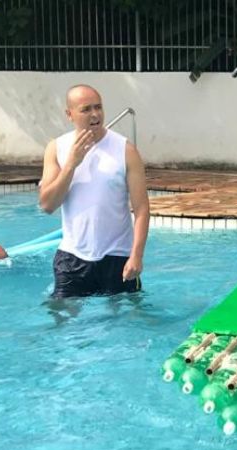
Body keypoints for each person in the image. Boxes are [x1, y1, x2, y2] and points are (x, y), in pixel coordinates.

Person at [38, 84, 150, 298]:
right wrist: (71, 164)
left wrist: (136, 255)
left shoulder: (125, 150)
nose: (95, 114)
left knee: (124, 322)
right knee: (61, 321)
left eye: (98, 107)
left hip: (118, 256)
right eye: (86, 109)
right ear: (69, 114)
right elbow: (47, 205)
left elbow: (142, 208)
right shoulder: (57, 148)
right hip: (72, 257)